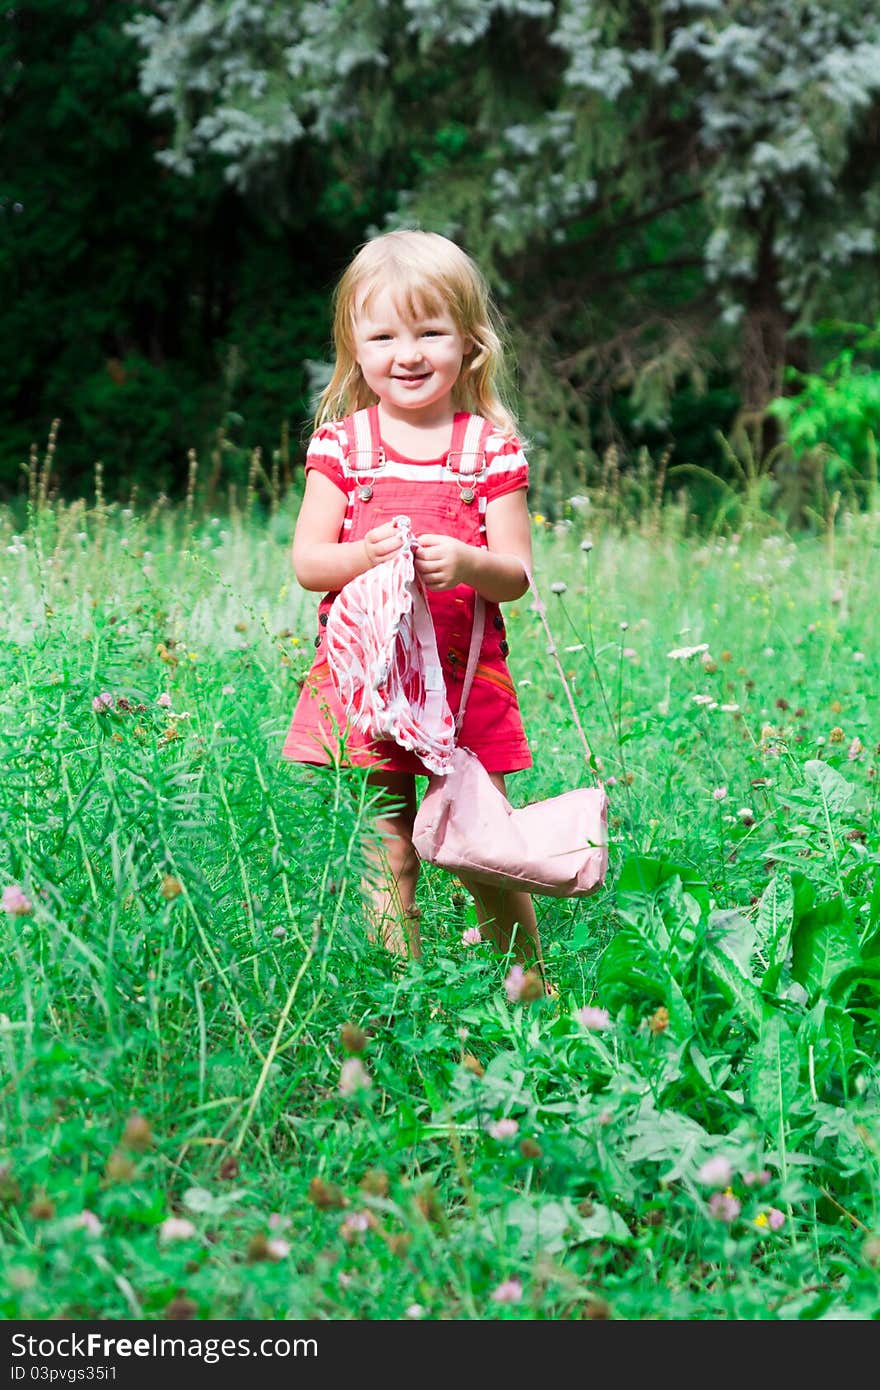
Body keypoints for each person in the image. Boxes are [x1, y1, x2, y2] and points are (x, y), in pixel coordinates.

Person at [282, 228, 550, 990]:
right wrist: (366, 554)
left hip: (465, 689)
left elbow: (516, 575)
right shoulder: (343, 448)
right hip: (366, 688)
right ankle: (408, 998)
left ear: (469, 343)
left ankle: (527, 987)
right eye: (384, 334)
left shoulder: (489, 451)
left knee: (482, 847)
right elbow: (309, 563)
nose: (408, 352)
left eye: (430, 331)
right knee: (386, 849)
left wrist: (466, 563)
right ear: (354, 347)